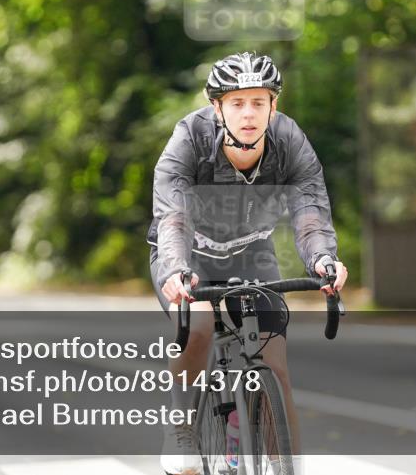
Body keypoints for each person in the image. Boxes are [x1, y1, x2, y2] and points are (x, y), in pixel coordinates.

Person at [149, 52, 348, 475]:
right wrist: (175, 269)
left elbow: (310, 211)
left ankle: (286, 466)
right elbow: (173, 216)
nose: (249, 113)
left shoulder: (289, 141)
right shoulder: (190, 138)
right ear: (216, 106)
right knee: (199, 327)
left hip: (251, 253)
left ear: (273, 106)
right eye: (237, 103)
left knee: (275, 365)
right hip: (190, 256)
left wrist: (322, 259)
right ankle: (181, 428)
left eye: (259, 102)